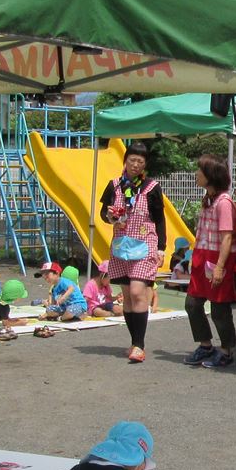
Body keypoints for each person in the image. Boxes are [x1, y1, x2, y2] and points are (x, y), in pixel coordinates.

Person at [100, 141, 166, 364]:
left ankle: (139, 344)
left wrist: (161, 248)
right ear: (125, 160)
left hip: (145, 244)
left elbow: (160, 219)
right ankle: (134, 342)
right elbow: (103, 213)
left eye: (140, 161)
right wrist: (110, 217)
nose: (135, 165)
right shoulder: (114, 185)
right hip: (121, 246)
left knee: (138, 291)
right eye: (132, 160)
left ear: (145, 164)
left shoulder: (152, 187)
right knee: (127, 295)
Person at [182, 154, 236, 370]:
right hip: (203, 256)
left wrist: (220, 267)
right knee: (192, 303)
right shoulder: (208, 199)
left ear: (211, 175)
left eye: (201, 171)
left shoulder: (224, 203)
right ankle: (205, 345)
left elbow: (227, 237)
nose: (197, 174)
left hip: (217, 258)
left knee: (219, 308)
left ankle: (226, 350)